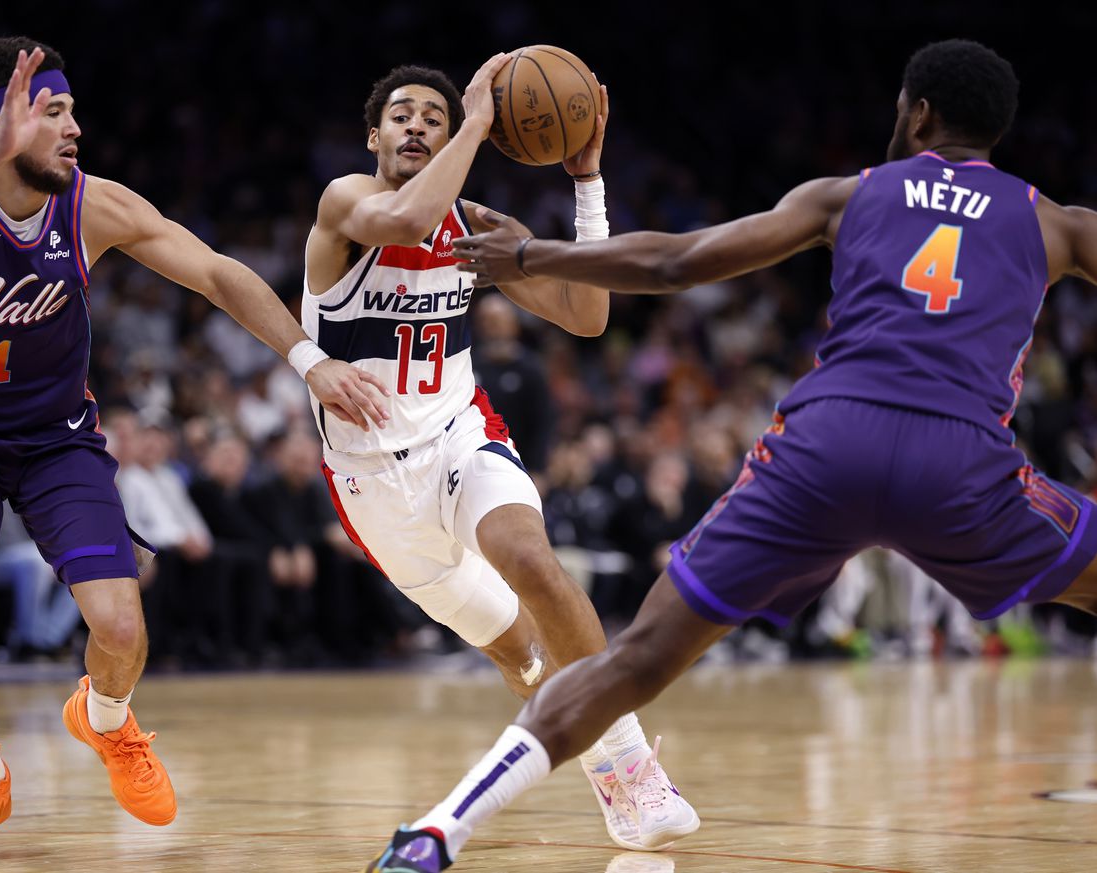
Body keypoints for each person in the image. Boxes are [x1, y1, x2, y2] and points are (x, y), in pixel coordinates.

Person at [366, 38, 1097, 871]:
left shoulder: (846, 196)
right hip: (963, 461)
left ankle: (437, 831)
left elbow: (678, 260)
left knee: (634, 660)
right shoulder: (1057, 223)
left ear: (918, 111)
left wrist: (529, 256)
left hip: (826, 444)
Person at [0, 38, 387, 859]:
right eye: (54, 111)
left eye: (74, 107)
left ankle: (105, 720)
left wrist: (310, 361)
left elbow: (217, 274)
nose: (76, 124)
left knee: (119, 626)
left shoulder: (92, 205)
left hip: (55, 441)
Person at [305, 56, 699, 855]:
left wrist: (586, 183)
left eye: (436, 118)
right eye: (404, 115)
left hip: (460, 429)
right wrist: (478, 118)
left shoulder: (468, 229)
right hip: (374, 484)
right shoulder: (347, 200)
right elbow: (407, 221)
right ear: (373, 134)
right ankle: (605, 760)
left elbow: (586, 316)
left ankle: (628, 766)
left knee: (530, 557)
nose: (418, 125)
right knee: (520, 656)